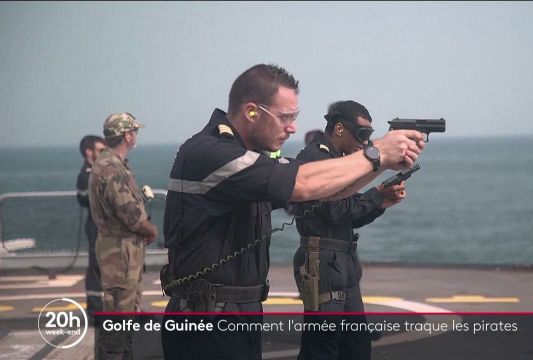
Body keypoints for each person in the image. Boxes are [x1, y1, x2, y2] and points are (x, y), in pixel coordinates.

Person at [161, 63, 424, 359]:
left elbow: (328, 190)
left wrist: (383, 166)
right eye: (285, 117)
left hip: (237, 315)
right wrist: (376, 153)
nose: (293, 127)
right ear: (251, 112)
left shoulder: (248, 161)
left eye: (294, 117)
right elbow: (305, 184)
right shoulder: (211, 152)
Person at [292, 101, 407, 360]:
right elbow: (335, 210)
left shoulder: (336, 161)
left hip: (342, 263)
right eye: (362, 134)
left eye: (369, 135)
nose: (365, 142)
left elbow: (347, 219)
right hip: (322, 263)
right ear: (340, 129)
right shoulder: (316, 158)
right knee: (322, 347)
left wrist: (381, 202)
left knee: (355, 346)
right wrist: (376, 196)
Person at [89, 112, 158, 359]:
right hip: (120, 253)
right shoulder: (112, 168)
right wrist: (151, 229)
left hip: (121, 250)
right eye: (134, 132)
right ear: (127, 136)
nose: (135, 136)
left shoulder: (109, 164)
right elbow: (131, 215)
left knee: (125, 311)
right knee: (120, 314)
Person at [76, 135, 106, 324]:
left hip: (105, 226)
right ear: (89, 152)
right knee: (96, 268)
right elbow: (85, 198)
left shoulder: (97, 172)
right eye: (100, 150)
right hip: (95, 227)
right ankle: (95, 310)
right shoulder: (85, 175)